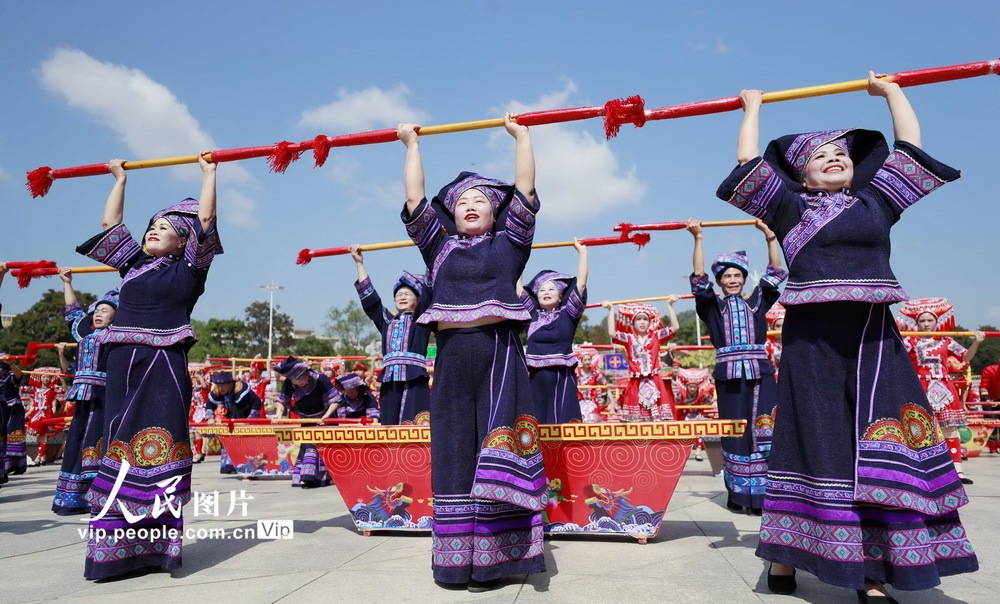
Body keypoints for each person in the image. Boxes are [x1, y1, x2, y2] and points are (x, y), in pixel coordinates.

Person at [717, 74, 977, 599]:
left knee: (884, 439)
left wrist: (894, 94)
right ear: (803, 177)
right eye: (821, 156)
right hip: (811, 342)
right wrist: (753, 107)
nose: (834, 157)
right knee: (811, 439)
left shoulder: (876, 202)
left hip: (874, 340)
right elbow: (748, 166)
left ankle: (877, 570)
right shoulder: (788, 209)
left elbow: (910, 151)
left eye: (842, 153)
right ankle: (787, 559)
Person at [397, 115, 546, 591]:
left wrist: (522, 137)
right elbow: (417, 201)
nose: (470, 205)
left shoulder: (510, 245)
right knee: (453, 452)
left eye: (480, 199)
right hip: (454, 360)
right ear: (453, 215)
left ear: (495, 211)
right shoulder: (438, 250)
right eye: (462, 202)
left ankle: (494, 563)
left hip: (501, 357)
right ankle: (455, 562)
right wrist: (411, 144)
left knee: (497, 451)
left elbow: (524, 189)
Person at [75, 154, 221, 580]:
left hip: (162, 366)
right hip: (121, 364)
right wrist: (120, 180)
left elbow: (208, 219)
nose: (154, 230)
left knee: (157, 444)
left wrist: (209, 173)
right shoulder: (133, 265)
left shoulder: (191, 271)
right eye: (152, 225)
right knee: (118, 443)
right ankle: (115, 553)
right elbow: (110, 226)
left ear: (184, 242)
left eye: (168, 228)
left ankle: (158, 549)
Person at [687, 219, 785, 515]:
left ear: (744, 278)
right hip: (729, 376)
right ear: (720, 282)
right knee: (735, 431)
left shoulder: (757, 301)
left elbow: (775, 273)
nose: (731, 280)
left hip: (760, 373)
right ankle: (738, 494)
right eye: (726, 276)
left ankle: (762, 497)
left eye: (736, 275)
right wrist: (698, 238)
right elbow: (698, 278)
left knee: (764, 428)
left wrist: (770, 237)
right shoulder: (713, 307)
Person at [897, 298, 985, 484]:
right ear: (917, 323)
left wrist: (976, 343)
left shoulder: (946, 340)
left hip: (944, 388)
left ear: (937, 322)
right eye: (922, 321)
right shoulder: (910, 341)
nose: (926, 324)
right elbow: (897, 358)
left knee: (950, 429)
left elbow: (965, 357)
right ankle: (922, 468)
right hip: (920, 387)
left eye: (930, 320)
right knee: (919, 428)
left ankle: (957, 470)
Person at [53, 268, 118, 515]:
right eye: (97, 311)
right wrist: (67, 283)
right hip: (82, 396)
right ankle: (72, 498)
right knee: (76, 441)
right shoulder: (86, 335)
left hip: (104, 397)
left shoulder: (118, 336)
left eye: (105, 310)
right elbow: (73, 314)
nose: (99, 314)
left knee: (96, 443)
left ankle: (98, 497)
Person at [350, 244, 431, 425]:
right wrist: (359, 264)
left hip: (414, 378)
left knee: (416, 424)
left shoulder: (422, 319)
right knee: (389, 425)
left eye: (407, 294)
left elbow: (429, 290)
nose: (401, 297)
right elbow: (372, 302)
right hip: (389, 379)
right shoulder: (387, 320)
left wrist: (430, 246)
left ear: (417, 300)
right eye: (398, 295)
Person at [519, 240, 589, 424]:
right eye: (541, 290)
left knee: (564, 423)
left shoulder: (568, 314)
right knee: (536, 426)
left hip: (562, 377)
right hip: (536, 379)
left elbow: (580, 285)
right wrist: (517, 252)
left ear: (560, 297)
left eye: (551, 289)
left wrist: (582, 253)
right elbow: (518, 287)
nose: (546, 292)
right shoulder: (531, 316)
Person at [601, 299, 680, 422]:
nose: (642, 322)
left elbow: (675, 327)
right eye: (638, 319)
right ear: (633, 323)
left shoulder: (656, 336)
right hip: (635, 383)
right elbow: (612, 333)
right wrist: (611, 310)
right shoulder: (628, 338)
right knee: (636, 421)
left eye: (645, 319)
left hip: (655, 381)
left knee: (658, 420)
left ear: (650, 323)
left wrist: (669, 305)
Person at [274, 357, 340, 488]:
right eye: (295, 381)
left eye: (300, 380)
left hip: (325, 419)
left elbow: (335, 400)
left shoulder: (320, 379)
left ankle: (310, 478)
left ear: (306, 373)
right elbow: (282, 400)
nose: (298, 383)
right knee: (306, 446)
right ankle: (306, 477)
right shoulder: (289, 383)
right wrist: (278, 415)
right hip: (307, 419)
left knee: (314, 446)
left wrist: (324, 418)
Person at [206, 370, 262, 474]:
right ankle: (228, 466)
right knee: (228, 439)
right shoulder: (217, 391)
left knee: (247, 442)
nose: (220, 388)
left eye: (223, 385)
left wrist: (249, 419)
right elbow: (209, 405)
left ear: (230, 383)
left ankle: (249, 467)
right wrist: (210, 417)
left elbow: (257, 401)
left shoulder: (241, 388)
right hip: (232, 418)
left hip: (247, 416)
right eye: (218, 385)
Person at [673, 367, 718, 463]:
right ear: (687, 386)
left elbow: (712, 402)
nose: (692, 388)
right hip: (685, 415)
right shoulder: (681, 393)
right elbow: (675, 401)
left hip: (698, 415)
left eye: (694, 386)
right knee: (683, 434)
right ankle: (682, 453)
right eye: (690, 386)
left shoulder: (702, 393)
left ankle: (698, 453)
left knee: (699, 432)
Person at [25, 366, 63, 466]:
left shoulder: (52, 389)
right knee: (39, 436)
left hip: (46, 413)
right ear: (40, 378)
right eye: (44, 377)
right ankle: (42, 458)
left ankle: (38, 458)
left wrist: (62, 379)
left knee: (44, 436)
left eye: (48, 377)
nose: (46, 379)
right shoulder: (35, 389)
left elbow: (63, 390)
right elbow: (24, 388)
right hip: (36, 414)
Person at [575, 346, 610, 423]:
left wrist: (605, 398)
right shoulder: (576, 373)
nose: (587, 362)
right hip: (579, 402)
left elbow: (605, 384)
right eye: (585, 360)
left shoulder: (595, 372)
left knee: (592, 420)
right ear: (581, 361)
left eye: (589, 360)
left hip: (592, 402)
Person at [764, 303, 785, 381]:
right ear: (773, 328)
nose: (781, 329)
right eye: (778, 326)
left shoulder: (793, 344)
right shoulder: (768, 345)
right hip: (773, 379)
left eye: (784, 325)